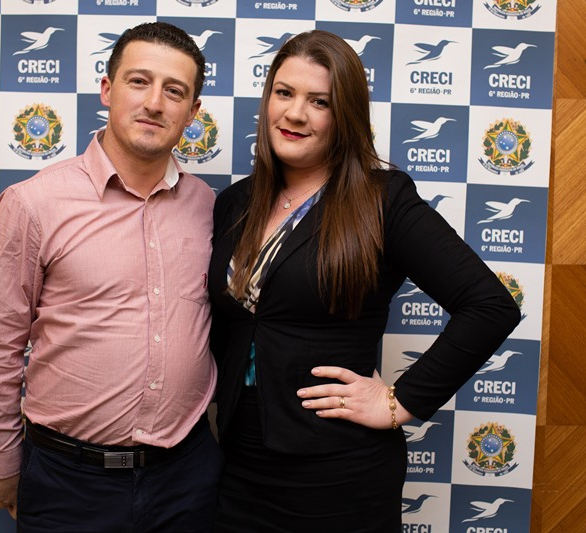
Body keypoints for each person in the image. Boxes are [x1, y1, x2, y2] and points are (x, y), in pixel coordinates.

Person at [208, 30, 521, 531]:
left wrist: (400, 401)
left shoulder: (382, 199)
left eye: (320, 102)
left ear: (346, 115)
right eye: (284, 93)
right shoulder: (235, 203)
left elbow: (490, 306)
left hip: (339, 469)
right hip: (236, 460)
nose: (294, 113)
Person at [0, 22, 222, 532]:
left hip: (186, 478)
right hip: (67, 482)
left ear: (193, 113)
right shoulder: (34, 204)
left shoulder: (208, 206)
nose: (154, 103)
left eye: (174, 91)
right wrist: (7, 465)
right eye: (138, 81)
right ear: (107, 89)